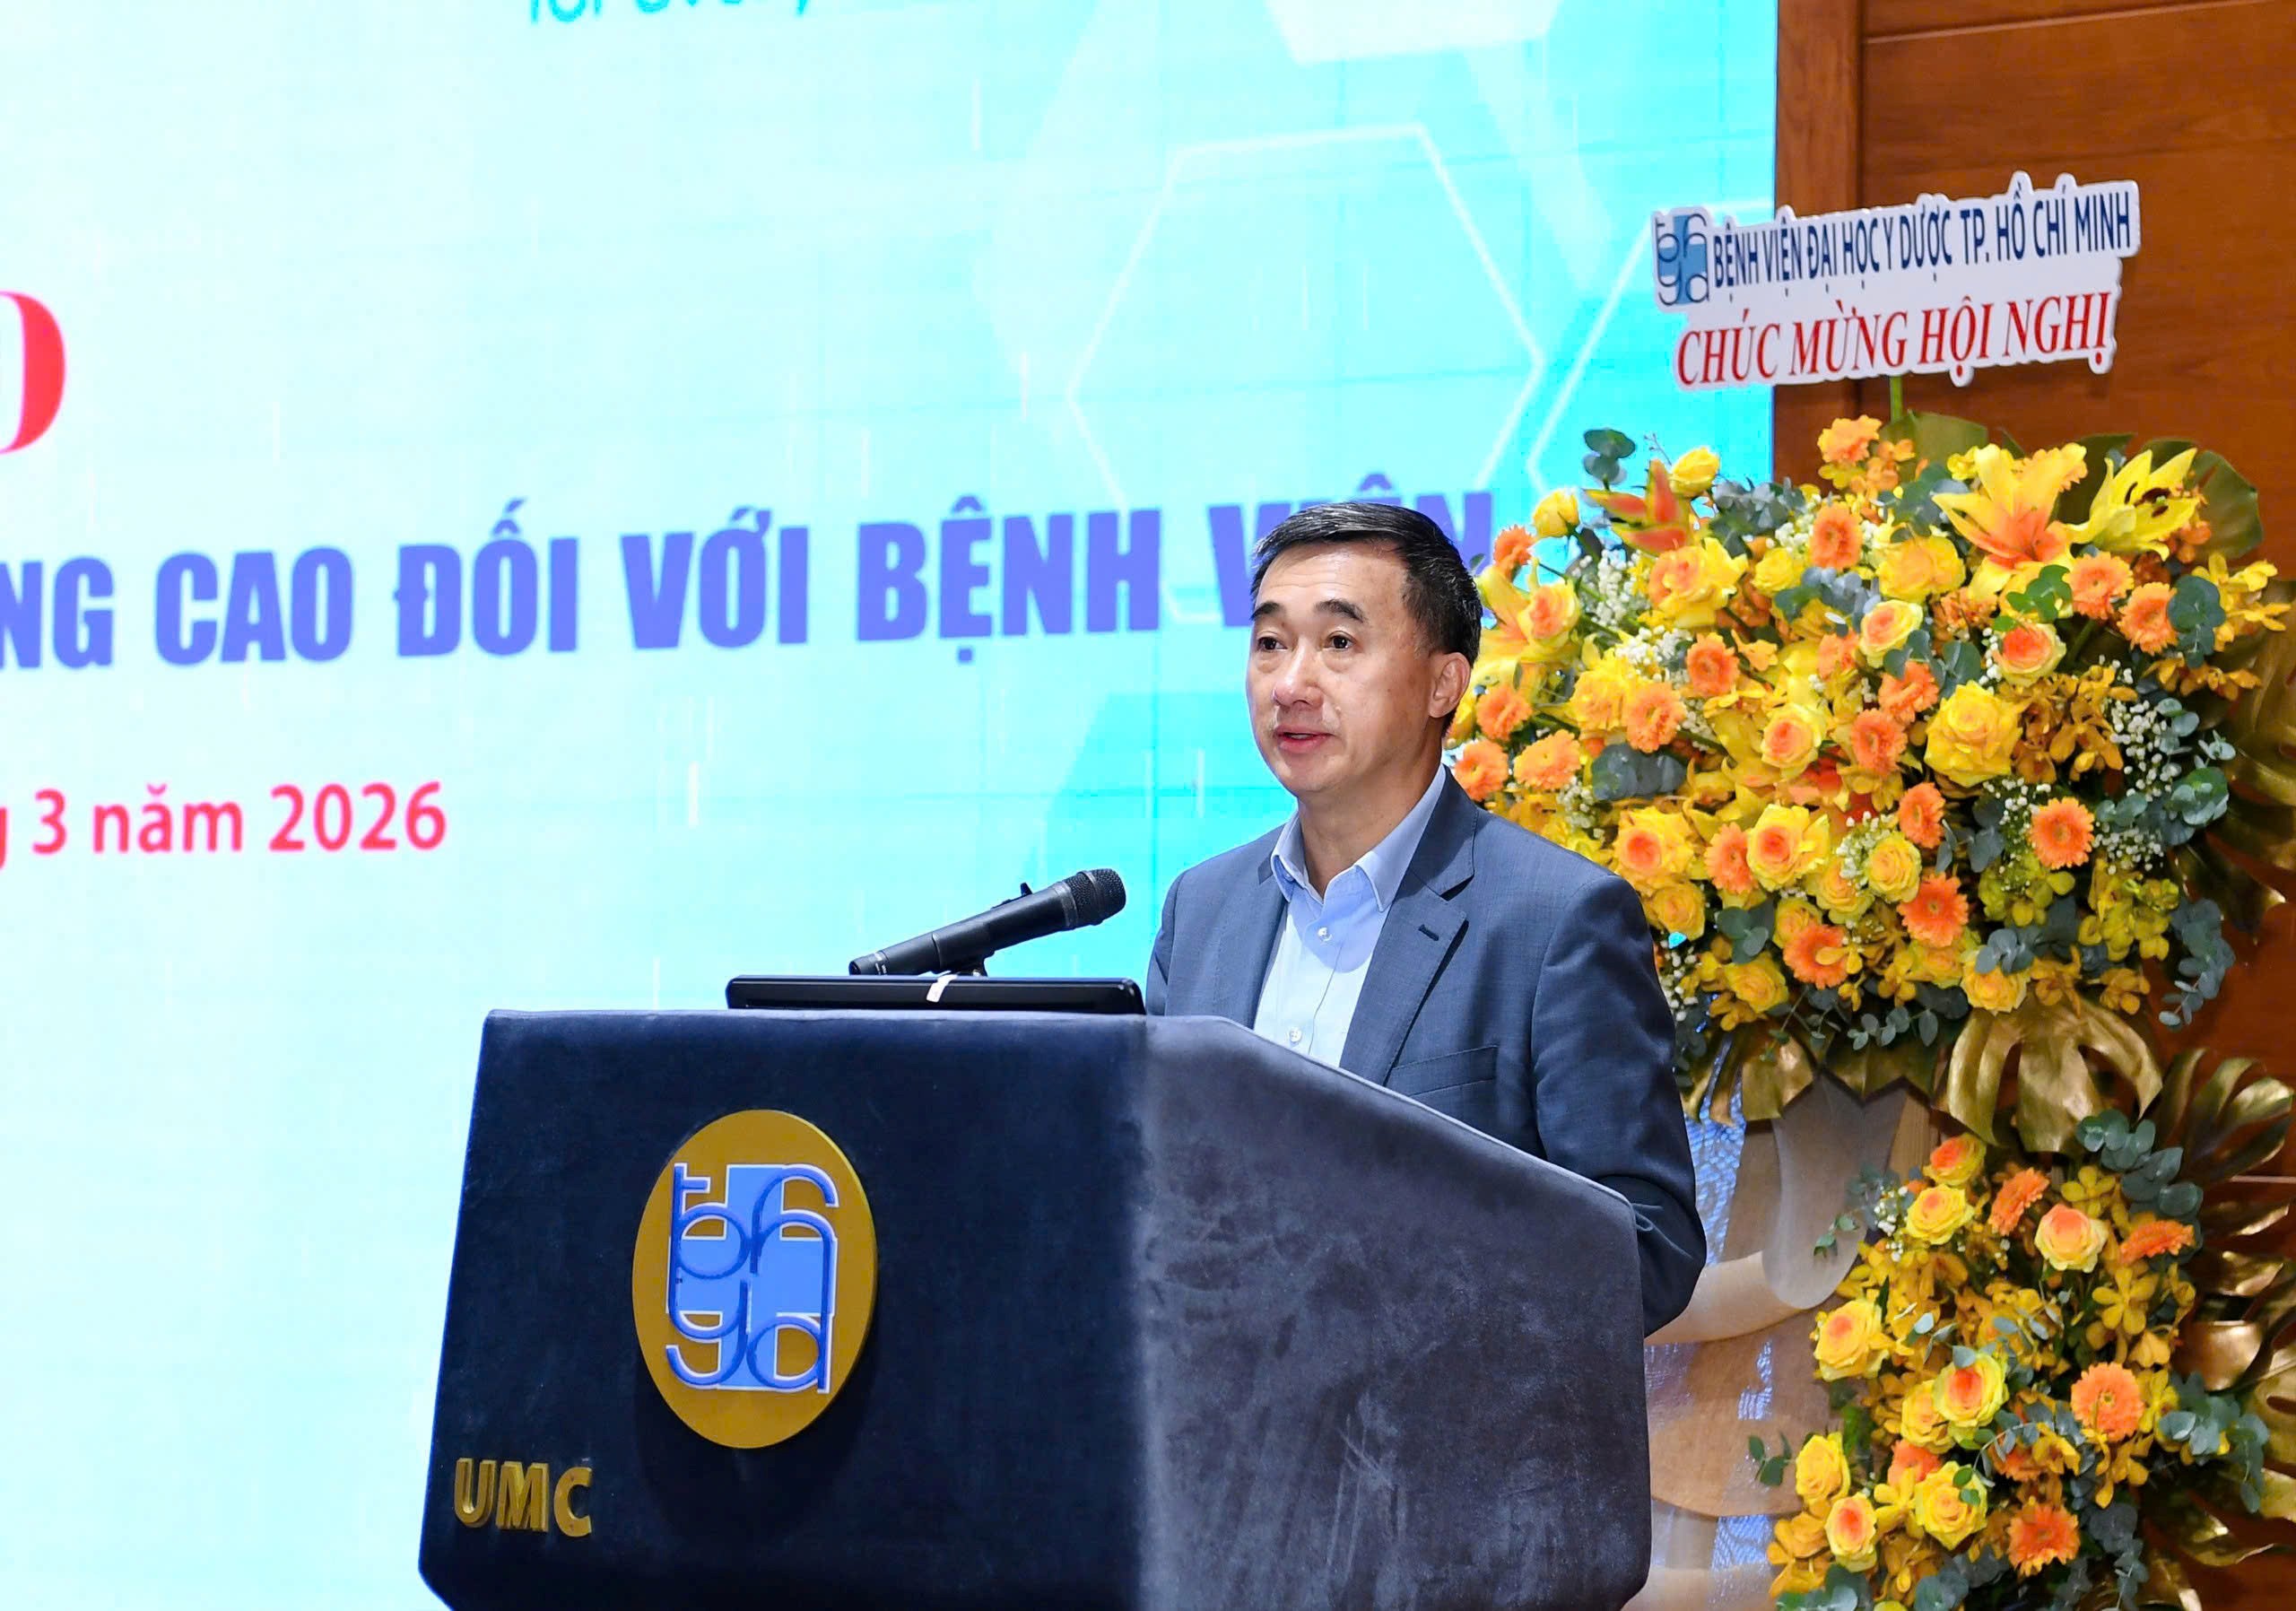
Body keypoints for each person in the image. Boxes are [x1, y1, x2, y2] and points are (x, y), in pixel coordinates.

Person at [1145, 501, 1703, 1333]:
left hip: (1436, 1411)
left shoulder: (1555, 921)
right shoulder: (1202, 908)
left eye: (1340, 643)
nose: (1291, 684)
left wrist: (1375, 1285)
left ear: (1445, 683)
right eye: (1270, 643)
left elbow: (1646, 1252)